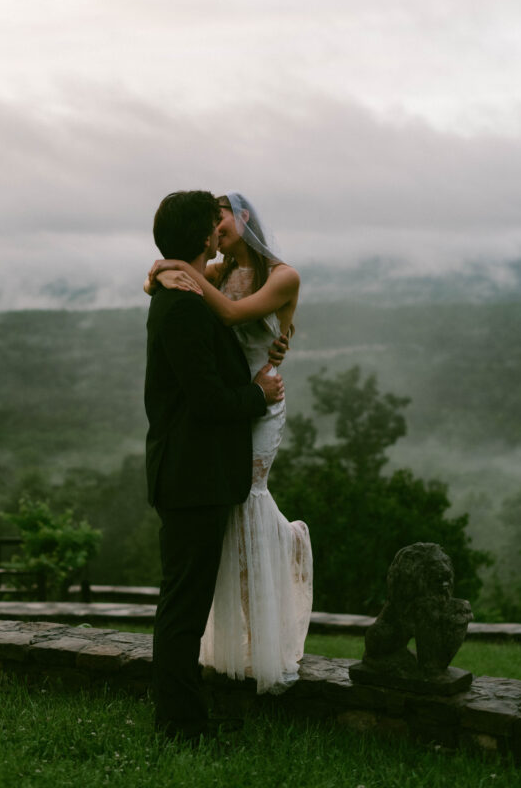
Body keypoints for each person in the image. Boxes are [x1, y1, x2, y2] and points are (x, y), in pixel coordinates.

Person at [148, 191, 313, 694]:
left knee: (249, 504)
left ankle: (263, 636)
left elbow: (226, 317)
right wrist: (161, 273)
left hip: (257, 400)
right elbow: (189, 303)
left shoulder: (280, 275)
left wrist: (172, 267)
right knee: (222, 523)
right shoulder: (215, 273)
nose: (216, 230)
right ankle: (236, 642)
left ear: (243, 218)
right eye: (210, 224)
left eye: (222, 218)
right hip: (229, 403)